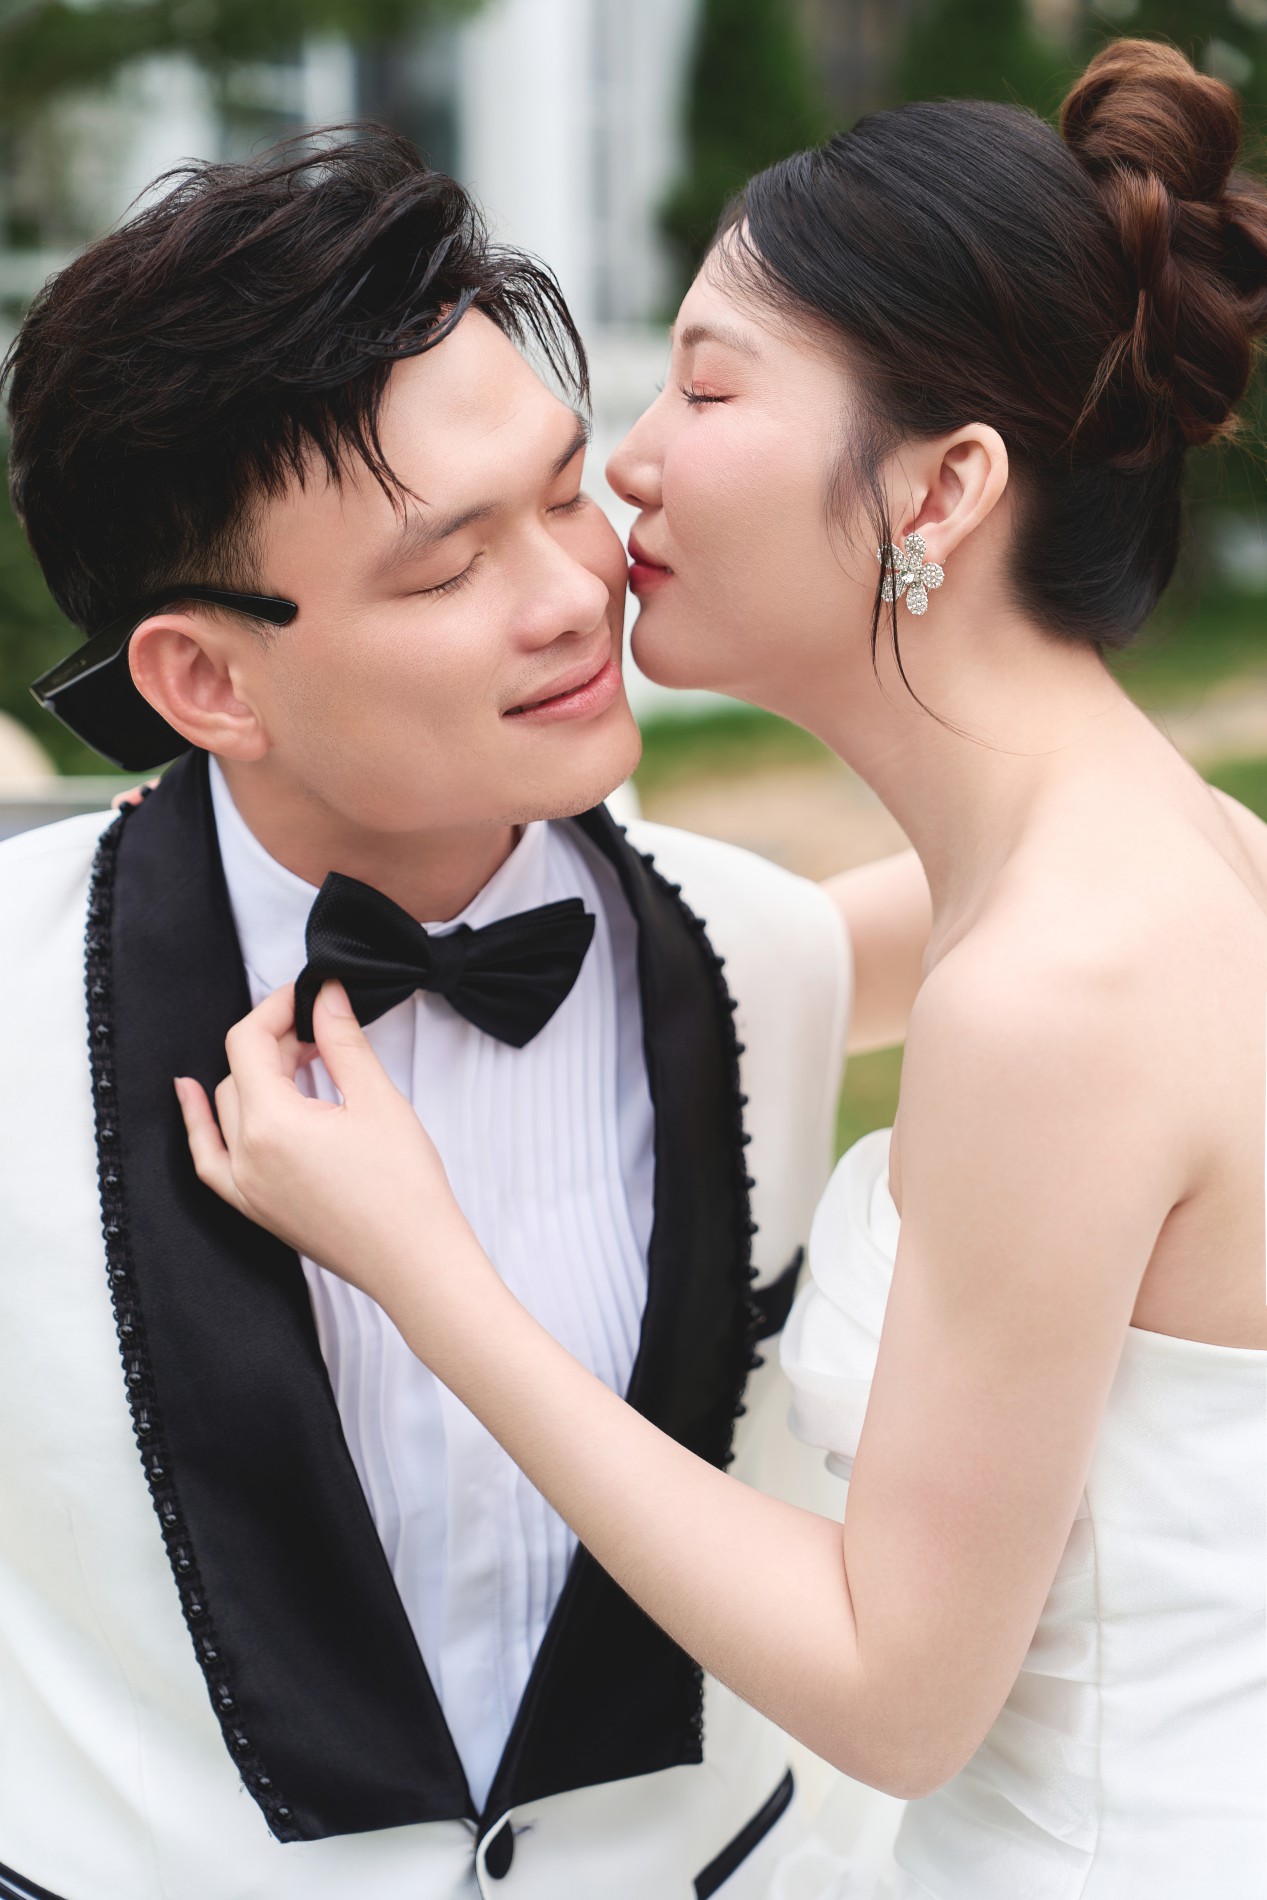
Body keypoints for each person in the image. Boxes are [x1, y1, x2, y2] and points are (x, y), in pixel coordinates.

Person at [185, 40, 1267, 1899]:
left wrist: (423, 1268)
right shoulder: (1156, 860)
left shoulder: (1056, 996)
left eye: (705, 385)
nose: (630, 463)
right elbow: (758, 953)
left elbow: (896, 1696)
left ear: (943, 490)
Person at [0, 129, 904, 1900]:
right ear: (203, 679)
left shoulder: (767, 957)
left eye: (564, 494)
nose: (573, 598)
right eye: (442, 570)